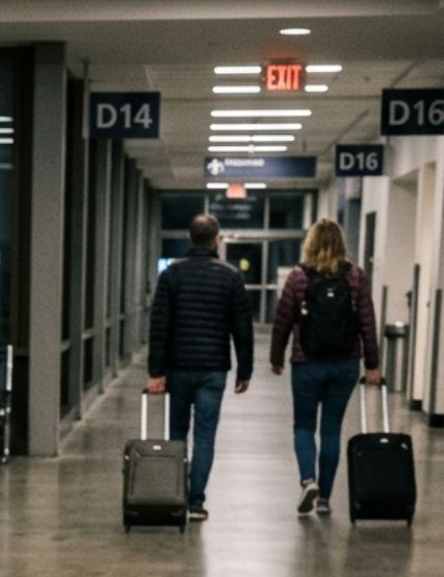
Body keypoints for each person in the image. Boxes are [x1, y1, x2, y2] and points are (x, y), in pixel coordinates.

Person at [147, 213, 254, 522]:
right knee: (205, 436)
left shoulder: (172, 276)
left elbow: (160, 326)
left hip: (178, 368)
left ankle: (176, 496)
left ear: (190, 238)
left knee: (177, 432)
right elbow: (242, 328)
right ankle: (196, 502)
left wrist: (156, 371)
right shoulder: (231, 276)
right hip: (212, 370)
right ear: (216, 239)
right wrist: (244, 371)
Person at [270, 218, 381, 517]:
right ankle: (325, 499)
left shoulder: (298, 277)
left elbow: (283, 320)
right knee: (331, 430)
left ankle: (308, 480)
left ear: (311, 243)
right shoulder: (356, 277)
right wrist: (372, 364)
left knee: (304, 427)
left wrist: (276, 357)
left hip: (307, 362)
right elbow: (367, 323)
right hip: (345, 363)